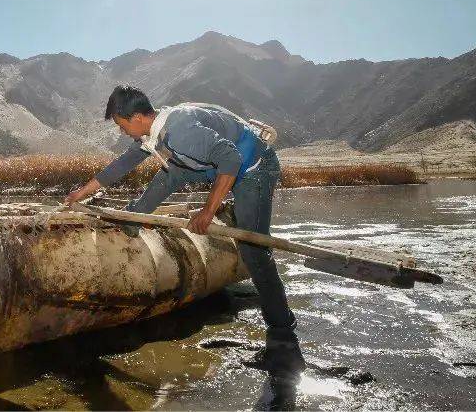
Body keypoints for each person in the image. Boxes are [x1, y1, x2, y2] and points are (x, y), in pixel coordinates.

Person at [65, 85, 306, 376]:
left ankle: (283, 337)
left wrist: (207, 212)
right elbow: (123, 163)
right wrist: (82, 192)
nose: (121, 131)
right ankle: (132, 219)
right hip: (215, 165)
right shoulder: (153, 132)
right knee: (170, 172)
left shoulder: (180, 133)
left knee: (254, 252)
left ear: (137, 117)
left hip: (253, 168)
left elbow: (230, 159)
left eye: (121, 125)